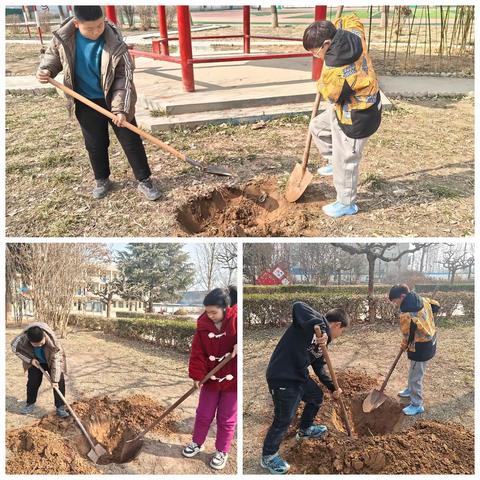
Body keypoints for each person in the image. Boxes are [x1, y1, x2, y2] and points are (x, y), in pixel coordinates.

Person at [36, 5, 160, 201]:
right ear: (76, 24)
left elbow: (124, 78)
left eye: (100, 26)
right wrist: (46, 71)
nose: (96, 31)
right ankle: (102, 179)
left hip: (113, 99)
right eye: (90, 28)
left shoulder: (115, 41)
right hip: (85, 100)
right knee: (95, 144)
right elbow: (52, 58)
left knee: (131, 140)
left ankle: (144, 180)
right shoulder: (64, 38)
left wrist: (121, 109)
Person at [303, 13, 382, 218]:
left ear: (327, 43)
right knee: (318, 127)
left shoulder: (338, 71)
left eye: (315, 52)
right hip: (345, 106)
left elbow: (330, 94)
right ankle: (332, 161)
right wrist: (334, 23)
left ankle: (346, 203)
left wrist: (320, 82)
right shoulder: (353, 33)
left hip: (357, 115)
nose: (315, 56)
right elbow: (351, 17)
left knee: (346, 160)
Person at [261, 301, 349, 474]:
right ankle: (268, 456)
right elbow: (297, 305)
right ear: (337, 324)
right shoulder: (309, 324)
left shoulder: (323, 341)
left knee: (316, 397)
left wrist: (333, 387)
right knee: (284, 418)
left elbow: (319, 366)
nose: (340, 334)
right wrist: (322, 328)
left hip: (299, 376)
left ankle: (305, 429)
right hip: (282, 377)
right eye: (342, 331)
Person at [182, 287, 237, 470]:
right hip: (210, 378)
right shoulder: (203, 326)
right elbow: (197, 352)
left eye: (214, 312)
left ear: (226, 308)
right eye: (207, 312)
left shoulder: (237, 321)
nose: (210, 316)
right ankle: (197, 442)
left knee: (226, 418)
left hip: (233, 380)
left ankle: (222, 450)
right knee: (204, 414)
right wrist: (197, 376)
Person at [388, 284, 440, 415]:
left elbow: (407, 336)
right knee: (414, 370)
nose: (395, 304)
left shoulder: (407, 314)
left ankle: (417, 404)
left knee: (415, 377)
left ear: (402, 296)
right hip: (430, 340)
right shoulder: (421, 299)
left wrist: (403, 346)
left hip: (421, 347)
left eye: (395, 301)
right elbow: (436, 305)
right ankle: (410, 390)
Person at [11, 322, 69, 418]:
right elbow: (15, 349)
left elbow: (56, 362)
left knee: (60, 382)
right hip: (35, 361)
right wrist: (30, 360)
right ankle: (30, 404)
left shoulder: (54, 343)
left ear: (44, 336)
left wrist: (55, 381)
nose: (39, 346)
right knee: (33, 382)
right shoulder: (21, 339)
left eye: (41, 343)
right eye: (36, 345)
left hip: (51, 361)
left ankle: (60, 407)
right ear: (29, 341)